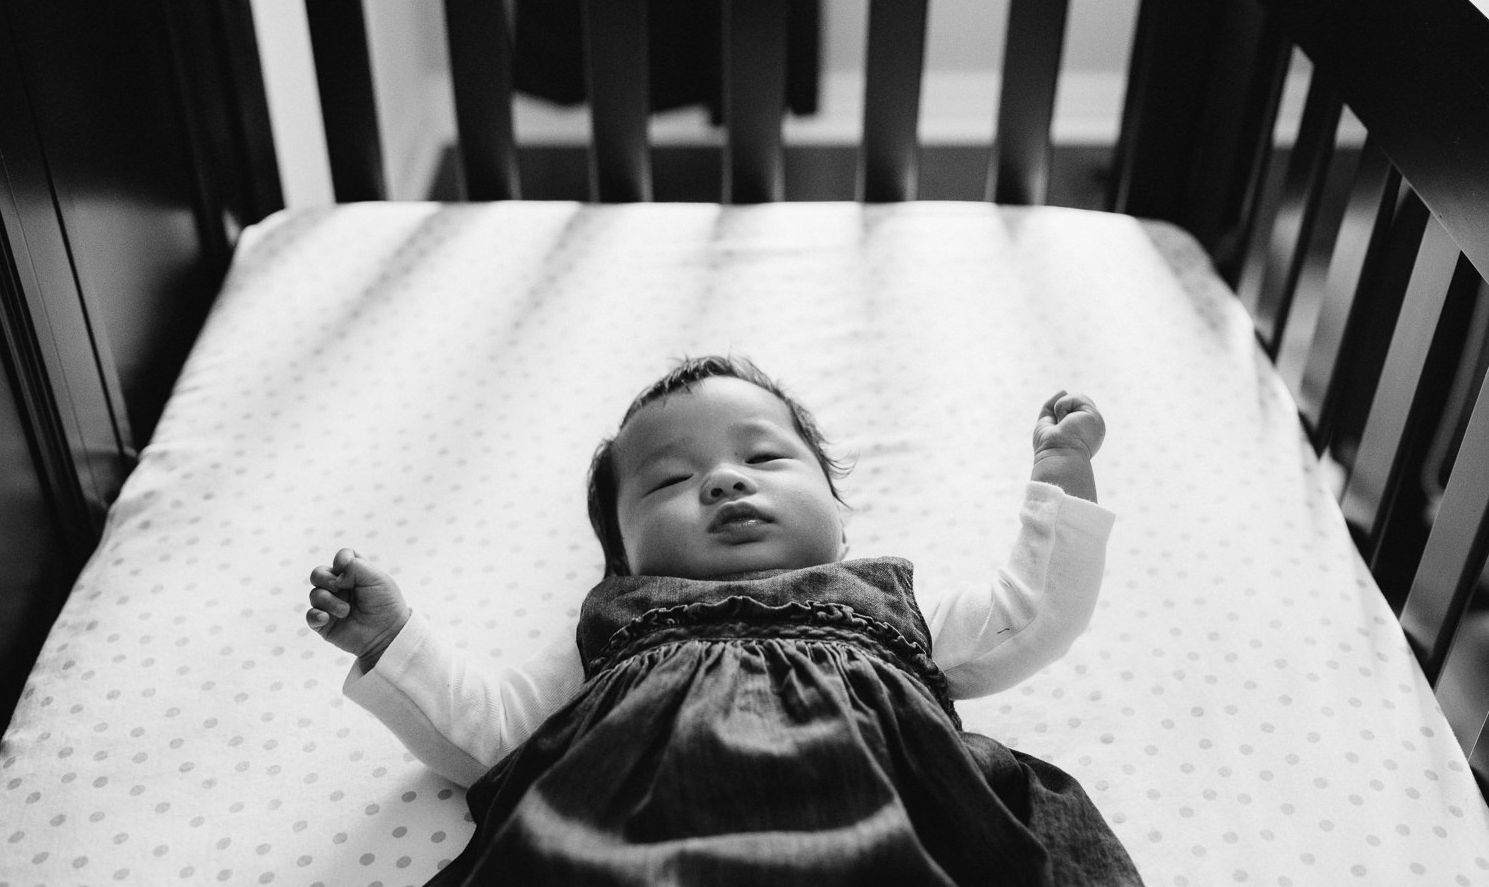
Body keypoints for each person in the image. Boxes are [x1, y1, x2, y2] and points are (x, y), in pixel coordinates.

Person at [305, 355, 1143, 885]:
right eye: (669, 481)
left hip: (896, 824)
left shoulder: (890, 601)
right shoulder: (611, 629)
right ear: (624, 561)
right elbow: (486, 732)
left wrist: (1060, 480)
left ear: (839, 521)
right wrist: (393, 642)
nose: (723, 482)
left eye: (765, 457)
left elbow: (1033, 617)